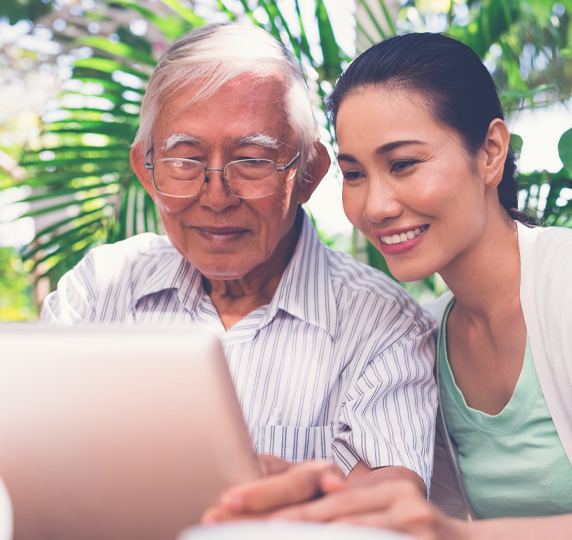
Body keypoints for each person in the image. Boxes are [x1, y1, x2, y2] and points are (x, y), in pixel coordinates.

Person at [204, 32, 572, 539]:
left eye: (402, 163)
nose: (374, 205)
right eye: (354, 174)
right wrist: (322, 499)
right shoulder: (431, 333)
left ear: (491, 152)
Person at [39, 23, 437, 498]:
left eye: (252, 160)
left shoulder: (381, 325)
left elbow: (387, 510)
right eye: (184, 160)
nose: (217, 196)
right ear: (146, 172)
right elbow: (15, 451)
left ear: (309, 174)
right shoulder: (100, 288)